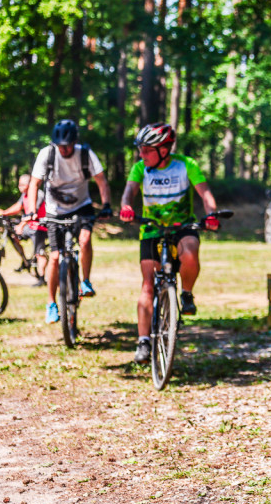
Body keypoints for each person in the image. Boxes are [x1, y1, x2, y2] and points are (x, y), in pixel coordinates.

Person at [120, 122, 220, 365]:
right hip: (151, 229)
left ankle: (186, 294)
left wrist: (212, 214)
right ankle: (144, 341)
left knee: (190, 253)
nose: (141, 155)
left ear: (164, 150)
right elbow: (129, 192)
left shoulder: (186, 165)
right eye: (140, 150)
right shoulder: (140, 168)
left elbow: (205, 194)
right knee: (147, 286)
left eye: (147, 150)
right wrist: (126, 207)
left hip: (182, 226)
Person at [26, 119, 112, 323]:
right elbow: (34, 184)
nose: (64, 149)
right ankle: (51, 303)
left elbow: (101, 180)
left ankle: (86, 282)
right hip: (54, 209)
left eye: (68, 145)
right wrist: (30, 211)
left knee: (84, 240)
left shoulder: (85, 154)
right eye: (60, 145)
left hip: (82, 206)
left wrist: (107, 203)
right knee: (54, 257)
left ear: (75, 142)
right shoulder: (47, 154)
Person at [0, 174, 48, 285]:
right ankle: (25, 261)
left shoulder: (37, 194)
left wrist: (21, 225)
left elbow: (33, 213)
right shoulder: (24, 195)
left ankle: (42, 279)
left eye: (21, 185)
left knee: (40, 253)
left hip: (39, 227)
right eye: (19, 184)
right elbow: (18, 206)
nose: (19, 187)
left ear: (29, 185)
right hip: (29, 226)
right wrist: (4, 212)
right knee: (13, 235)